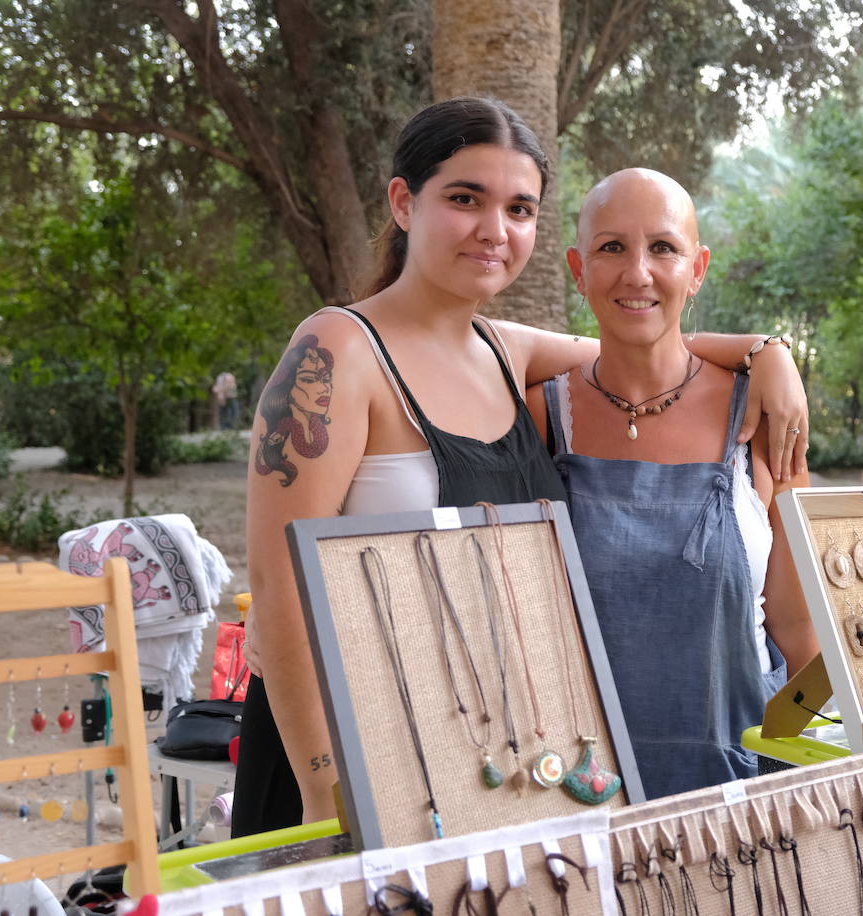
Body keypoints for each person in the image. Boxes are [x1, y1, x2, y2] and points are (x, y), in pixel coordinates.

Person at [237, 98, 811, 835]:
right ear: (404, 202)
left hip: (465, 767)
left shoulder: (507, 353)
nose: (493, 230)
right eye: (465, 199)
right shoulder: (337, 351)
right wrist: (325, 792)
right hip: (342, 754)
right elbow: (280, 587)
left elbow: (645, 344)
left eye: (519, 208)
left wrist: (769, 352)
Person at [528, 168, 819, 798]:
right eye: (612, 248)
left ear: (698, 268)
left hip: (735, 803)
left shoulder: (762, 420)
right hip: (576, 805)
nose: (637, 273)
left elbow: (800, 632)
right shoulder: (537, 417)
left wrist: (784, 776)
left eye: (663, 247)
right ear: (578, 270)